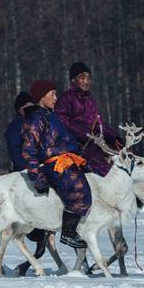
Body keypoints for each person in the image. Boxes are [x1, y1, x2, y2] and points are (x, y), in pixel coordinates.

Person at [21, 80, 90, 249]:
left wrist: (76, 147)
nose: (56, 98)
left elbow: (62, 139)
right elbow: (29, 150)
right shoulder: (35, 120)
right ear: (41, 97)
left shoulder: (51, 116)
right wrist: (37, 177)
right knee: (80, 189)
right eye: (52, 94)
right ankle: (68, 232)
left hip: (66, 160)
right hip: (52, 166)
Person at [55, 62, 122, 177]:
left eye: (88, 78)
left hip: (94, 144)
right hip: (77, 146)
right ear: (73, 80)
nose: (86, 81)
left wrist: (114, 137)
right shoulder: (67, 97)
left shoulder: (89, 98)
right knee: (105, 173)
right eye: (82, 78)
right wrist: (83, 133)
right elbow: (62, 121)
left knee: (118, 164)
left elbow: (98, 123)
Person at [4, 91, 33, 172]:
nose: (28, 107)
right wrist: (23, 169)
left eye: (30, 104)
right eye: (24, 105)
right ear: (19, 109)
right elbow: (14, 149)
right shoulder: (15, 126)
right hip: (25, 170)